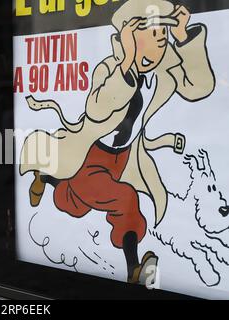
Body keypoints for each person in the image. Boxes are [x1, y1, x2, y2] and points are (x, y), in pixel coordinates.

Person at [21, 0, 214, 284]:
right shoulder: (111, 68)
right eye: (152, 38)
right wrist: (125, 63)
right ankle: (134, 268)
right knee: (124, 199)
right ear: (129, 37)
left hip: (122, 158)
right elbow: (97, 108)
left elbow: (201, 87)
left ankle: (46, 176)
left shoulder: (165, 73)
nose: (158, 48)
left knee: (75, 205)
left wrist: (185, 40)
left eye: (163, 40)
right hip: (90, 154)